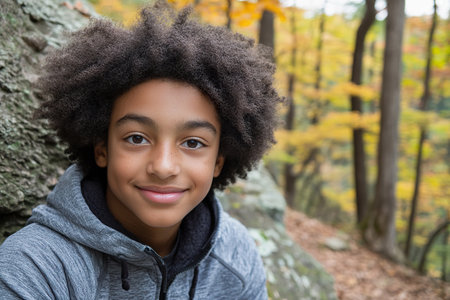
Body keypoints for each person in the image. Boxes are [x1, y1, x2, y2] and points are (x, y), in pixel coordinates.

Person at [0, 1, 282, 299]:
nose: (162, 166)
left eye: (193, 143)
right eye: (137, 138)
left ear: (218, 162)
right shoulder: (34, 268)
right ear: (102, 149)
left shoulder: (235, 257)